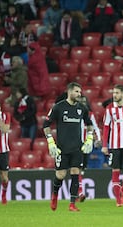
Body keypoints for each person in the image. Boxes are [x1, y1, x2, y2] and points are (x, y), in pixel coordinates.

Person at [43, 82, 94, 212]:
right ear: (69, 92)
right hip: (62, 148)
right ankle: (55, 195)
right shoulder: (58, 107)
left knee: (75, 173)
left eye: (80, 92)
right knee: (60, 175)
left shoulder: (82, 108)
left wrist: (89, 139)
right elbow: (46, 125)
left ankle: (72, 204)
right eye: (76, 91)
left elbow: (89, 124)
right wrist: (50, 142)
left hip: (77, 148)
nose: (79, 94)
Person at [77, 95, 102, 202]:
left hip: (86, 145)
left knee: (82, 169)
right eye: (80, 101)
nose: (82, 103)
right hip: (75, 144)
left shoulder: (90, 115)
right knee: (77, 168)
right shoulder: (73, 113)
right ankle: (80, 192)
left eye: (84, 101)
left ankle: (79, 191)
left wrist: (99, 139)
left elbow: (95, 127)